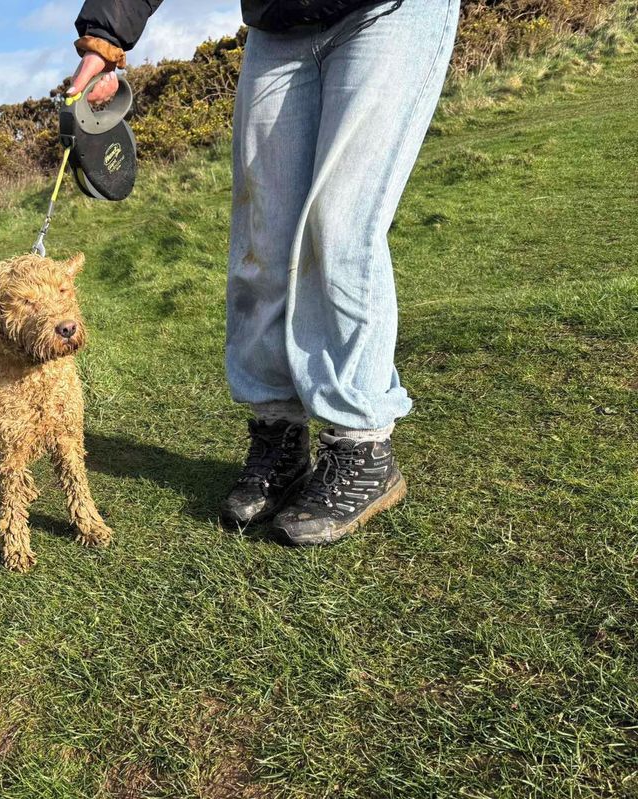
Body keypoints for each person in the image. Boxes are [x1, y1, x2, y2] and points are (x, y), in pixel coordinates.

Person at [68, 0, 459, 544]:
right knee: (262, 235)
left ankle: (361, 445)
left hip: (388, 12)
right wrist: (104, 40)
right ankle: (278, 432)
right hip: (277, 28)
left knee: (339, 223)